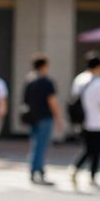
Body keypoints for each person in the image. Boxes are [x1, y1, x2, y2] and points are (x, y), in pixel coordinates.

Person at [69, 51, 100, 189]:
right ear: (99, 66)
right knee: (96, 150)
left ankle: (76, 168)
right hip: (99, 122)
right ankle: (92, 175)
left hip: (83, 120)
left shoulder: (79, 79)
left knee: (88, 148)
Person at [22, 55, 60, 186]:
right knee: (41, 146)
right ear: (44, 66)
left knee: (35, 145)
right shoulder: (46, 81)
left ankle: (37, 171)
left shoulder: (29, 80)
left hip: (32, 117)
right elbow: (53, 102)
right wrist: (59, 118)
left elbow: (24, 101)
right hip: (45, 117)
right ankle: (37, 172)